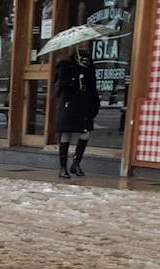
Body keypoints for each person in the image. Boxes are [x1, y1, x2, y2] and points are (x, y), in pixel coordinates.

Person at [54, 43, 98, 179]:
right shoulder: (65, 63)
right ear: (74, 47)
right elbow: (63, 84)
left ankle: (76, 162)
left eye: (85, 45)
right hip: (70, 102)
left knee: (86, 132)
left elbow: (92, 84)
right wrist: (76, 73)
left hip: (85, 102)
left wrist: (95, 103)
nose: (83, 48)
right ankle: (62, 168)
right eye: (80, 46)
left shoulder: (89, 63)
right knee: (66, 132)